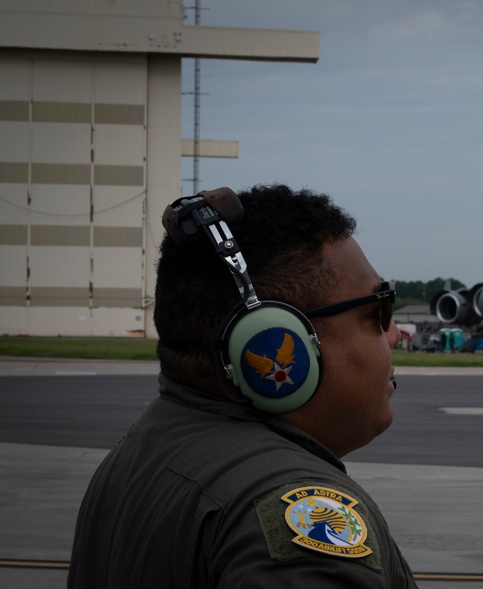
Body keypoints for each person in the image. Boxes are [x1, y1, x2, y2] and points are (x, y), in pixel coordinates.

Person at [68, 185, 418, 588]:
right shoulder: (301, 523)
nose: (392, 334)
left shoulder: (142, 449)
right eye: (377, 311)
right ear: (271, 341)